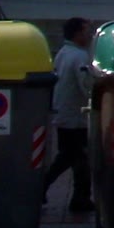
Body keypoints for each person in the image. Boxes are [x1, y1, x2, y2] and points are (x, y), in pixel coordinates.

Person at [42, 17, 93, 213]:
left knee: (73, 157)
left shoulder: (63, 53)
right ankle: (77, 197)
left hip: (63, 114)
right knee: (75, 157)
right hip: (75, 117)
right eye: (87, 31)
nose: (90, 35)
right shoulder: (80, 57)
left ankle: (80, 198)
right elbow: (86, 86)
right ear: (77, 34)